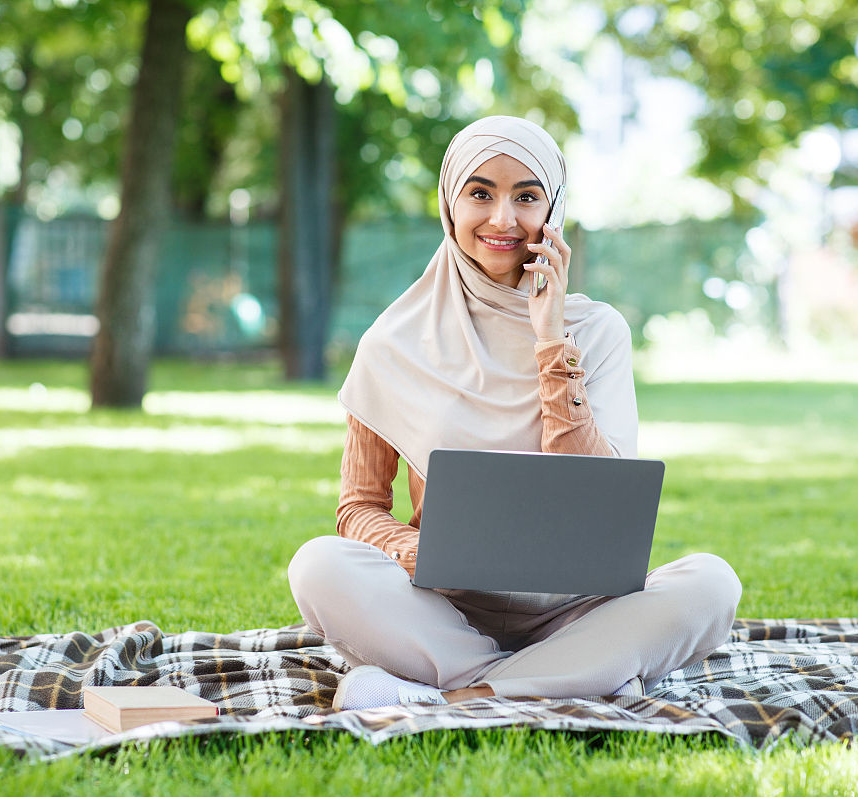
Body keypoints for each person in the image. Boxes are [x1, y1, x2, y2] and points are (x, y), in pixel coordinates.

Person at [287, 115, 741, 711]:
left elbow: (598, 494)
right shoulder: (392, 342)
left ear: (552, 211)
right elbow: (359, 509)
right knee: (319, 564)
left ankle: (458, 695)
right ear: (450, 206)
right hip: (442, 609)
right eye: (481, 194)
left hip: (579, 608)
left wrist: (551, 339)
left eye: (526, 196)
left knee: (712, 584)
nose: (503, 219)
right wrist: (408, 551)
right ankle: (574, 676)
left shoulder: (596, 331)